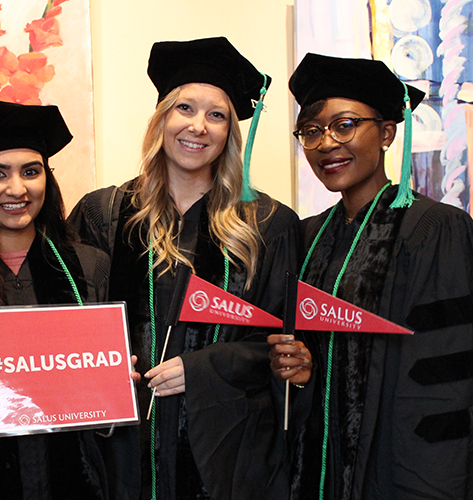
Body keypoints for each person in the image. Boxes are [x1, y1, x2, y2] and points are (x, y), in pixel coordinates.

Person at [276, 52, 473, 500]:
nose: (327, 143)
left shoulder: (436, 230)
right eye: (311, 132)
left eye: (346, 124)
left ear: (388, 133)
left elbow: (443, 382)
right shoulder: (307, 237)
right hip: (320, 467)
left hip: (399, 470)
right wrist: (303, 368)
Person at [69, 37, 302, 499]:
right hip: (122, 447)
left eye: (216, 115)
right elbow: (69, 327)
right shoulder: (105, 213)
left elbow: (283, 344)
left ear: (230, 133)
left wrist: (201, 369)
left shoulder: (269, 225)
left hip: (224, 448)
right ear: (161, 120)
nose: (198, 126)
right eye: (184, 109)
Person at [0, 100, 120, 499]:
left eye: (31, 172)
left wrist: (114, 387)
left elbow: (104, 408)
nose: (17, 189)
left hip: (76, 478)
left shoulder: (87, 267)